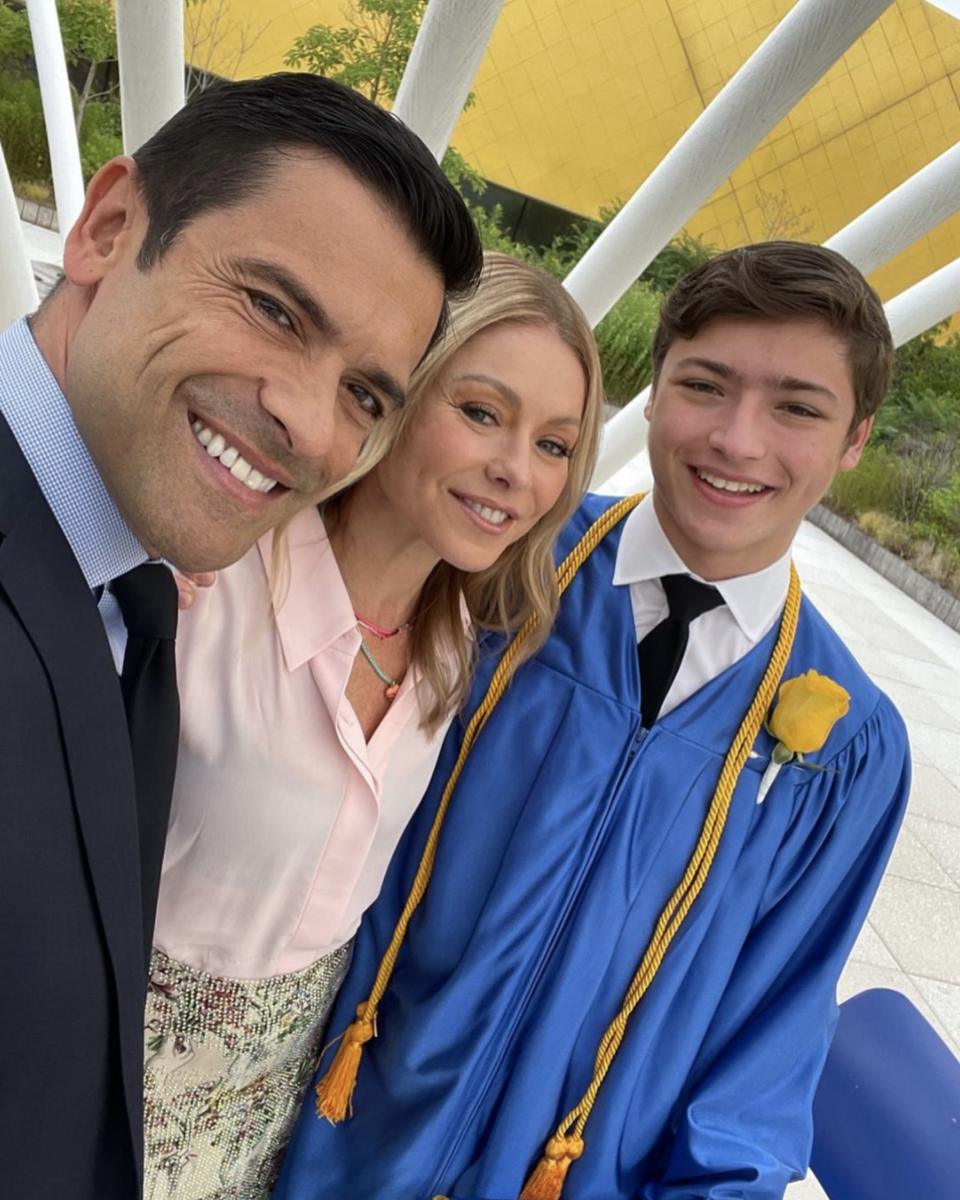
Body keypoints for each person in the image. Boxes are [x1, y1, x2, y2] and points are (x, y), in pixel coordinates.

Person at [274, 242, 912, 1200]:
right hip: (337, 1134)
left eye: (796, 407)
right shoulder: (492, 562)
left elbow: (768, 1044)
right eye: (705, 385)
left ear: (854, 439)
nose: (738, 441)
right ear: (651, 394)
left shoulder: (851, 750)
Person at [0, 71, 480, 1199]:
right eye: (274, 308)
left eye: (366, 394)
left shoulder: (137, 597)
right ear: (108, 229)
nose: (311, 424)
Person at [140, 252, 606, 1199]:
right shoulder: (211, 586)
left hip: (261, 1134)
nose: (516, 470)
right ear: (397, 395)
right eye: (482, 412)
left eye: (556, 445)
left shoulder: (458, 662)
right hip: (88, 1081)